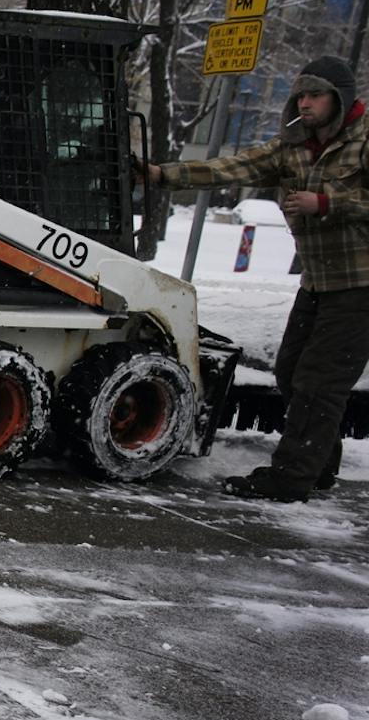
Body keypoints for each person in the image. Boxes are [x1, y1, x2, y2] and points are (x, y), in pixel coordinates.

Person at [143, 55, 369, 501]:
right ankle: (319, 462)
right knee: (291, 373)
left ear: (339, 99)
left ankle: (289, 479)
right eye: (300, 94)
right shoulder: (294, 144)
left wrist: (326, 203)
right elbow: (234, 167)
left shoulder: (363, 141)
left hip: (360, 285)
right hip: (318, 284)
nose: (304, 102)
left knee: (320, 382)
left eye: (315, 94)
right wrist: (160, 175)